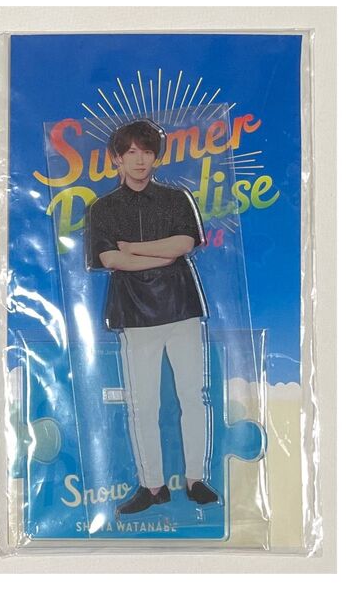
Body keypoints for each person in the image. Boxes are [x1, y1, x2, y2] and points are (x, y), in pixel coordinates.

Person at [86, 119, 218, 515]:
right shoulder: (103, 209)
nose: (140, 160)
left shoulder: (177, 199)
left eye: (146, 152)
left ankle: (196, 479)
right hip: (134, 313)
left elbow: (185, 243)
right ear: (117, 159)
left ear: (156, 157)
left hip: (182, 307)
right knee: (143, 403)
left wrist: (135, 249)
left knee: (193, 395)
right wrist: (160, 255)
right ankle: (152, 485)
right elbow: (111, 259)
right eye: (131, 153)